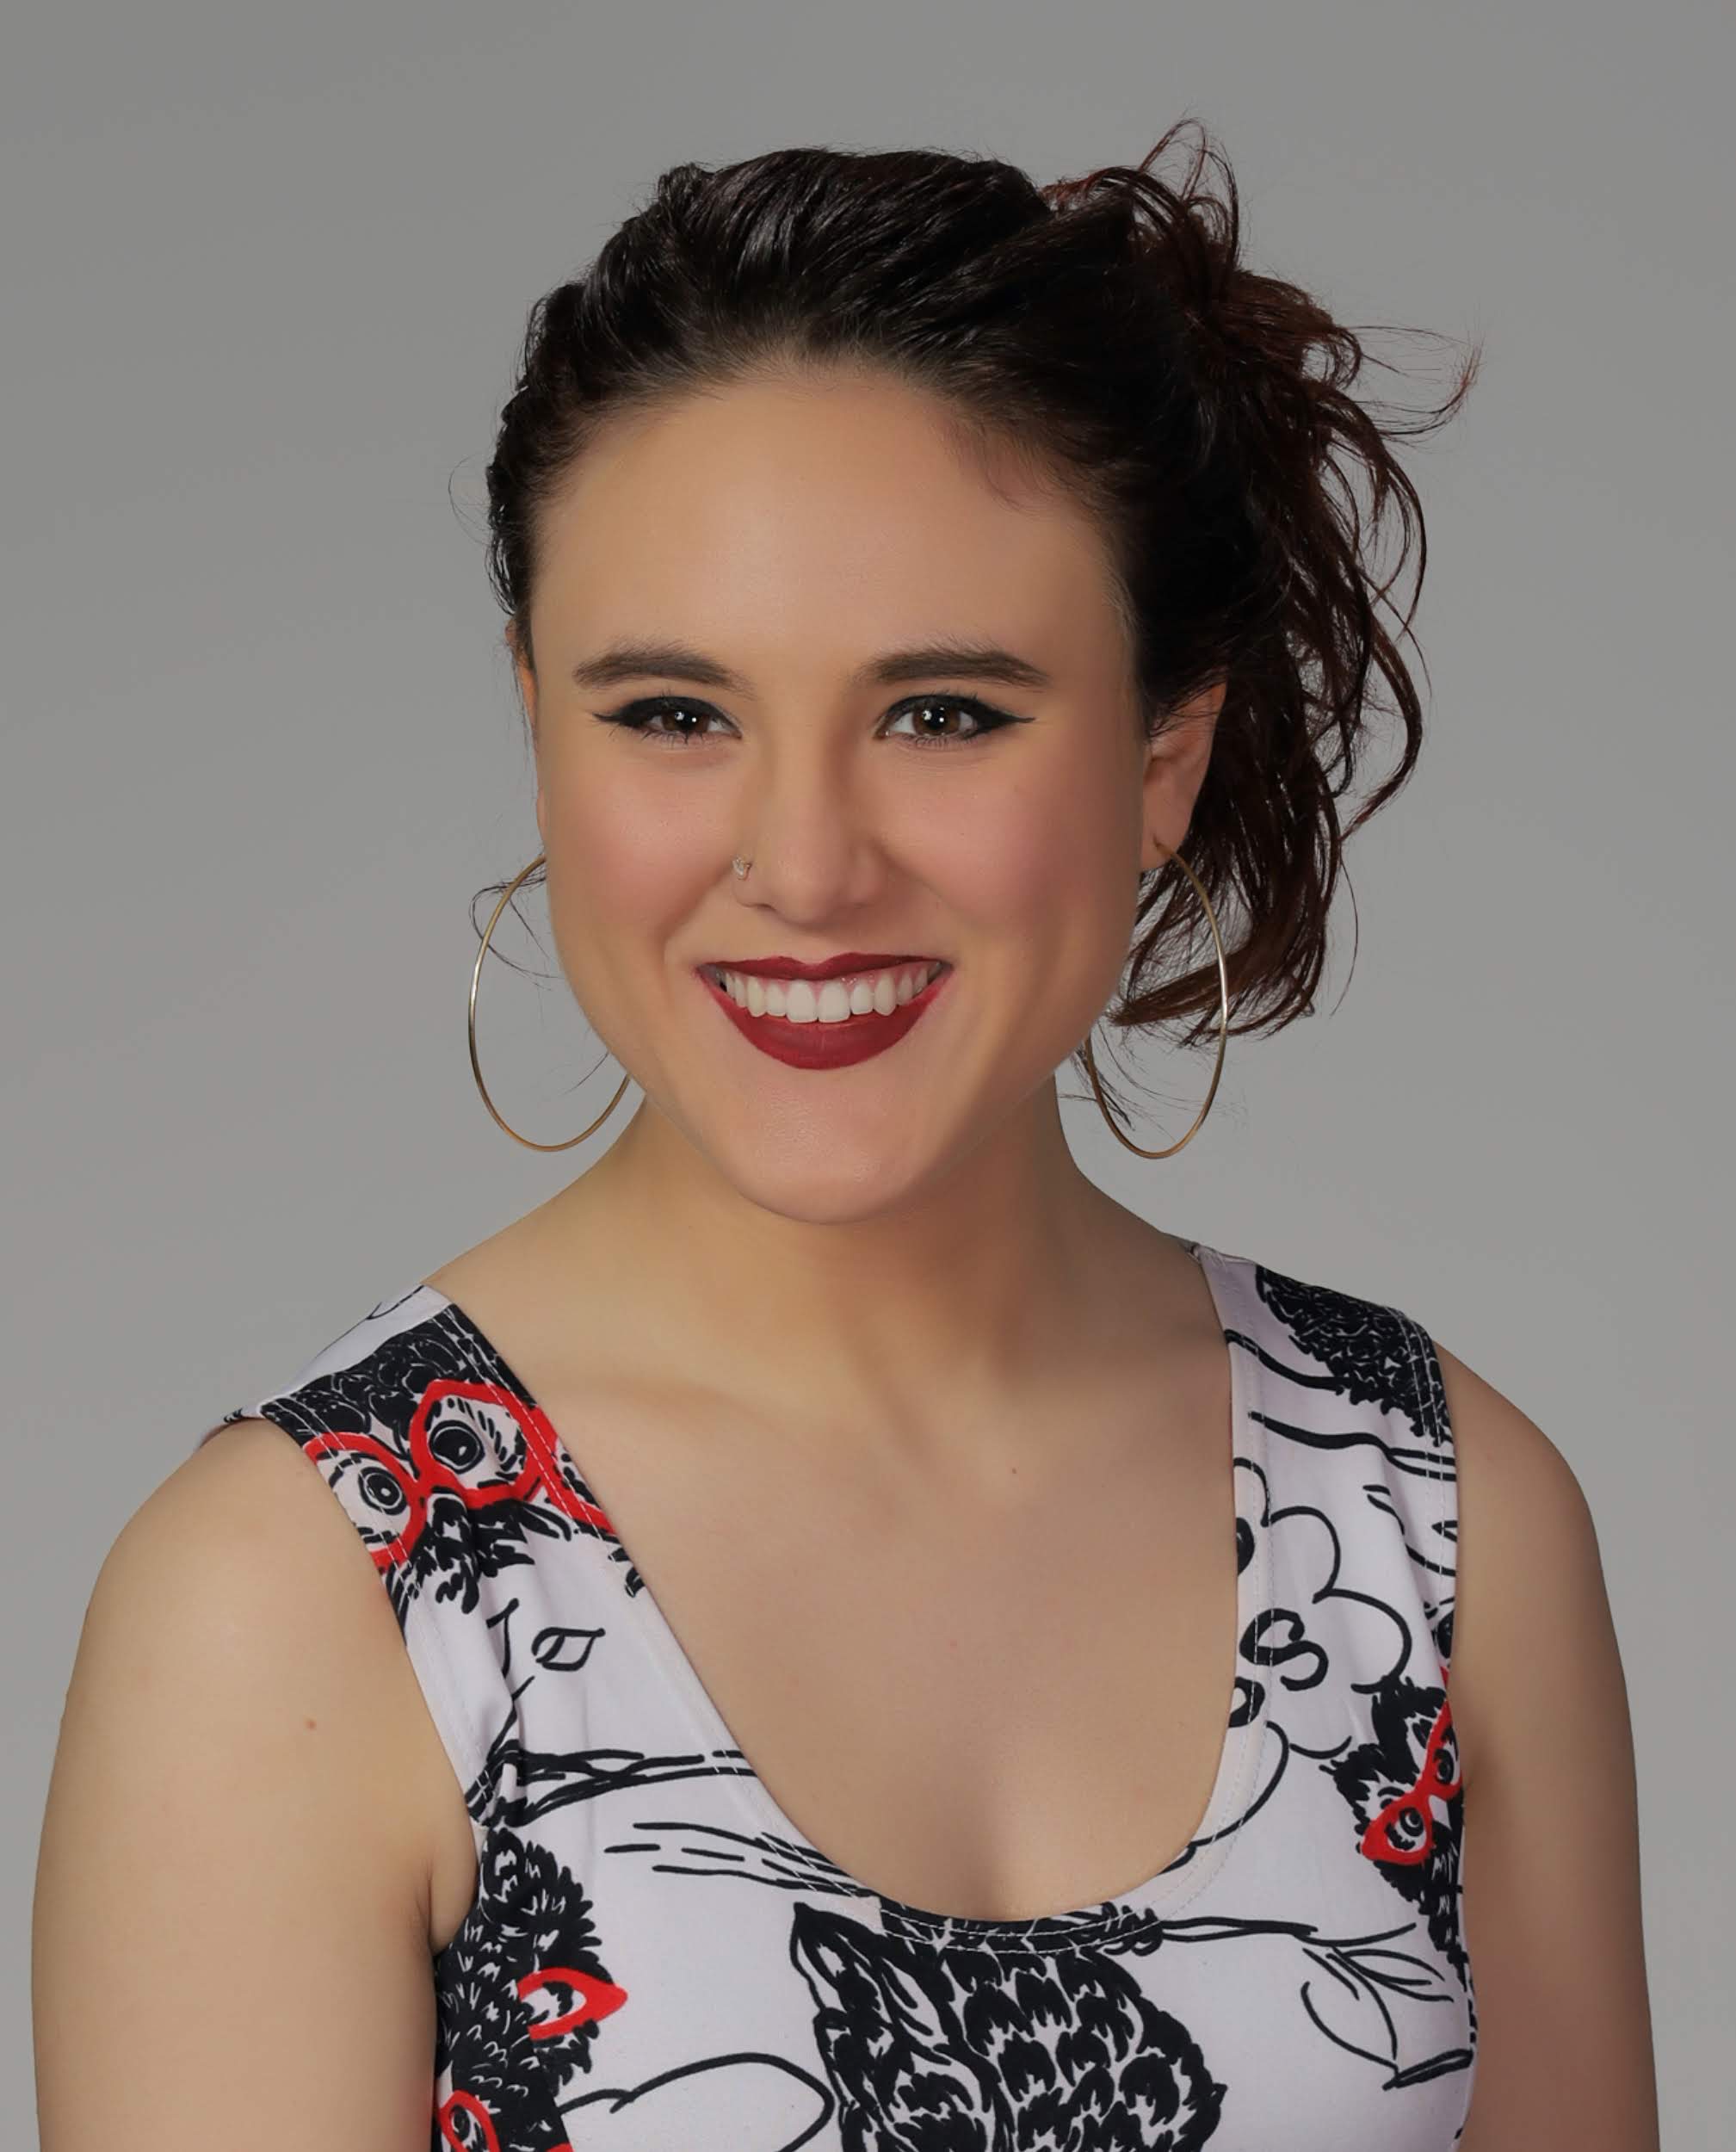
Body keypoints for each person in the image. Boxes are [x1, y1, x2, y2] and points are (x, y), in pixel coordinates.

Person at [33, 121, 1658, 2150]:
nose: (802, 866)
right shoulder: (302, 1597)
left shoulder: (1436, 1519)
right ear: (537, 726)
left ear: (1165, 754)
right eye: (673, 712)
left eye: (943, 711)